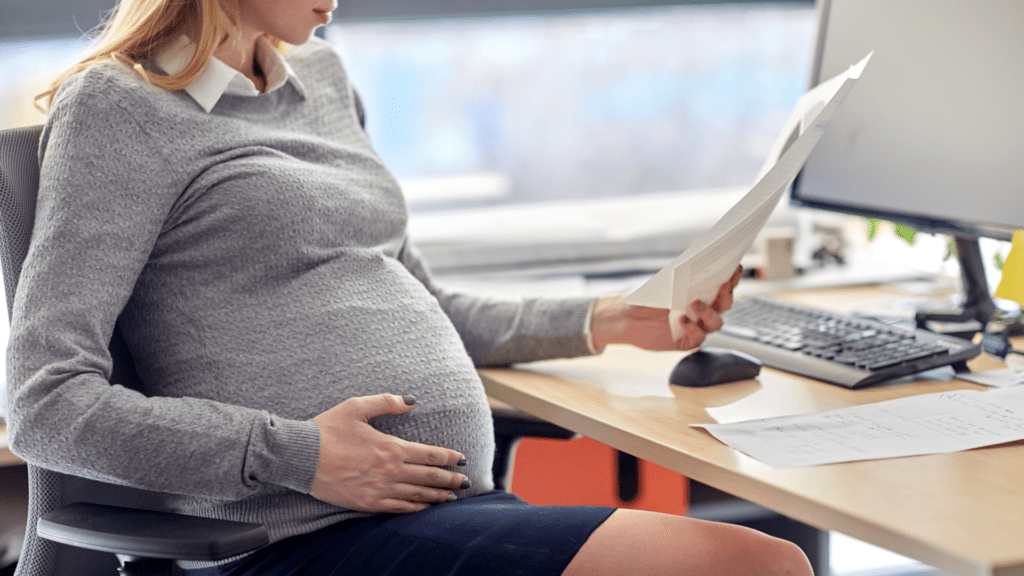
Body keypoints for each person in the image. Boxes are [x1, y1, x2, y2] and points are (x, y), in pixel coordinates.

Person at [6, 0, 813, 574]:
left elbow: (419, 298)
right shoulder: (120, 107)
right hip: (291, 538)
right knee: (755, 565)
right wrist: (301, 454)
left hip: (439, 513)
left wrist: (609, 320)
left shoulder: (320, 78)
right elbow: (45, 404)